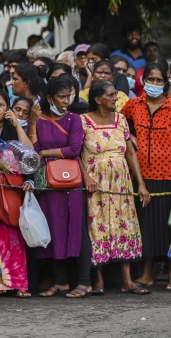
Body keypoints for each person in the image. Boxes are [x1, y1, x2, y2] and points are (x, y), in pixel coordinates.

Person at [80, 81, 150, 295]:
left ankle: (127, 280)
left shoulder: (121, 120)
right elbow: (77, 153)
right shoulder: (83, 121)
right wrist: (86, 178)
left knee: (124, 224)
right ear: (98, 99)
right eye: (111, 95)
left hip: (121, 182)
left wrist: (141, 184)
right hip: (96, 184)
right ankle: (99, 280)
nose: (115, 98)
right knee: (97, 225)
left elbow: (130, 153)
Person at [27, 78, 93, 298]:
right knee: (53, 230)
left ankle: (85, 282)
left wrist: (47, 153)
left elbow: (74, 149)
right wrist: (34, 123)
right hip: (48, 182)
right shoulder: (40, 119)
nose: (66, 101)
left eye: (69, 96)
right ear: (49, 98)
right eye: (62, 97)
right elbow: (33, 150)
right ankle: (61, 282)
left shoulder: (74, 119)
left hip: (71, 184)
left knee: (78, 231)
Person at [122, 63, 171, 290]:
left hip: (168, 175)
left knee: (167, 226)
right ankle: (147, 272)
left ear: (166, 82)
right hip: (142, 175)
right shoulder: (133, 105)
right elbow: (117, 124)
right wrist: (130, 136)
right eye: (150, 79)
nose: (154, 84)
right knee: (147, 226)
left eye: (159, 80)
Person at [0, 89, 34, 297]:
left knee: (13, 234)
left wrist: (16, 124)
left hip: (12, 188)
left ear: (7, 108)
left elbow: (30, 150)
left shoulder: (14, 131)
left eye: (1, 105)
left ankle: (18, 282)